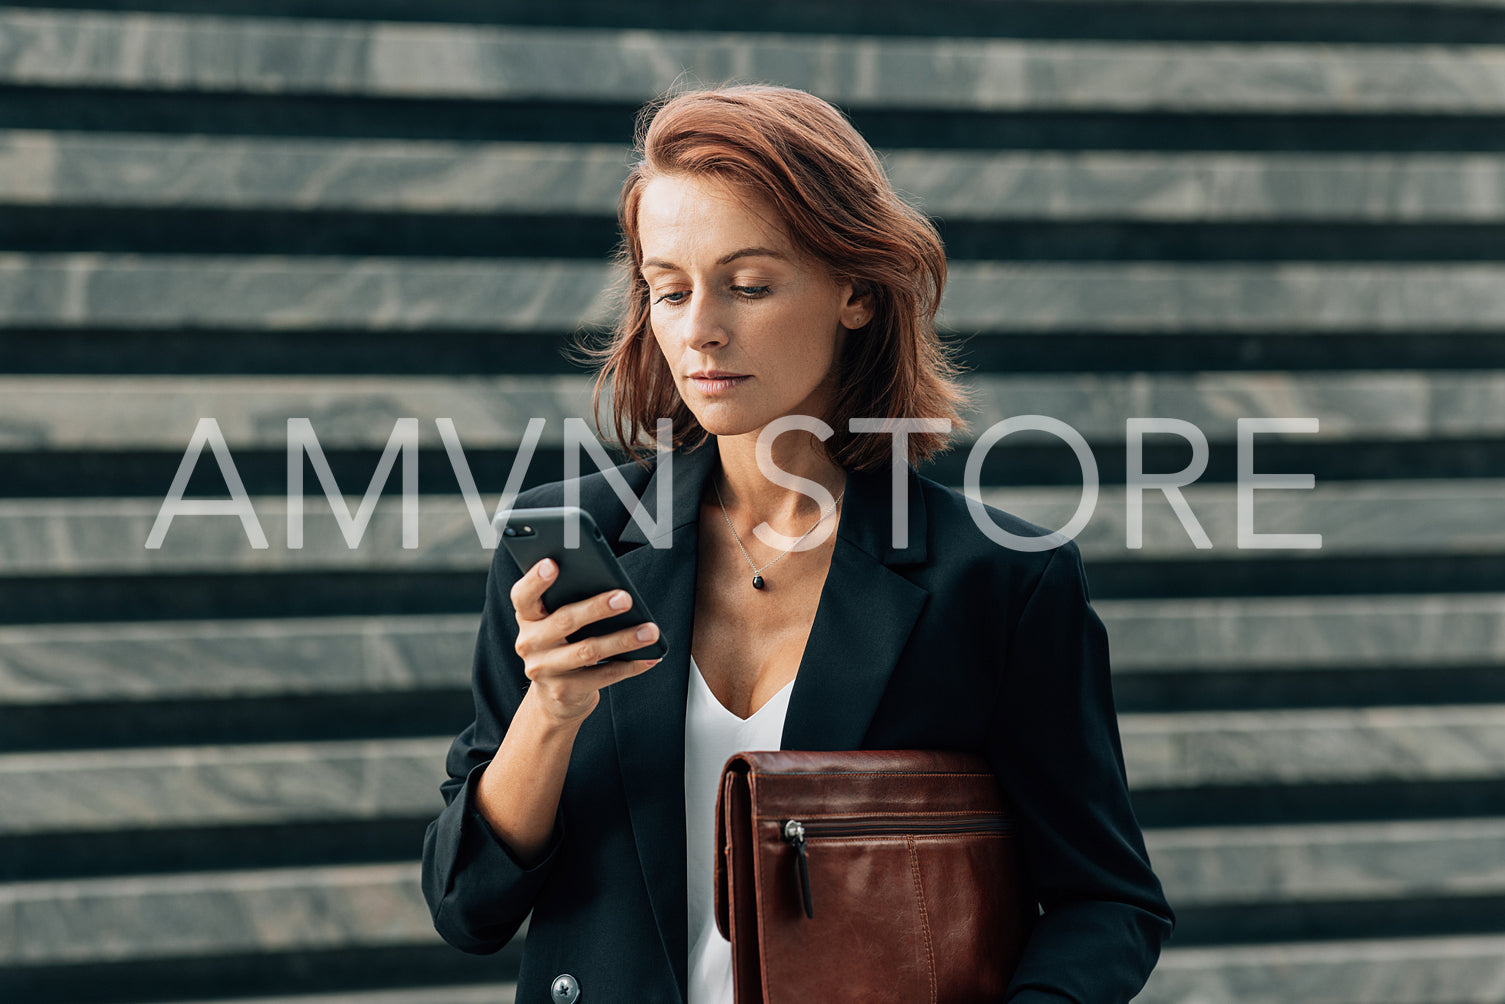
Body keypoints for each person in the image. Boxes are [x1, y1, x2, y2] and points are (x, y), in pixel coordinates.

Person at [421, 84, 1173, 1003]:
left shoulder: (999, 580)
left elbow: (1106, 902)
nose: (699, 328)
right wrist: (551, 710)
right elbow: (468, 906)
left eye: (748, 285)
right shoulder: (575, 548)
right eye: (669, 289)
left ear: (855, 290)